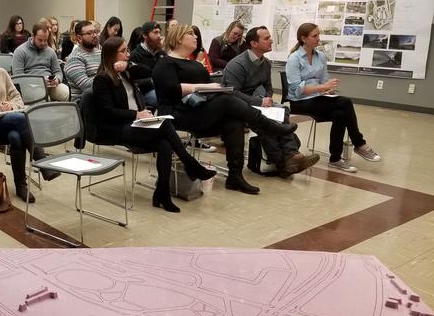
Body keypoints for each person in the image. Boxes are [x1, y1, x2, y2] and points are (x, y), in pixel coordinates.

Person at [152, 24, 297, 195]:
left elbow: (206, 90)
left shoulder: (196, 64)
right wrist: (202, 87)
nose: (196, 37)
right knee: (227, 100)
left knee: (233, 122)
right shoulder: (166, 63)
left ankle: (235, 176)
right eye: (190, 34)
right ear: (178, 38)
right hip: (177, 112)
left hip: (198, 110)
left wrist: (213, 89)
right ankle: (269, 125)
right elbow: (171, 89)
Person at [93, 37, 217, 213]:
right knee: (165, 125)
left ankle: (162, 193)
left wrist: (128, 66)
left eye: (127, 50)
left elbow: (148, 71)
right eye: (123, 51)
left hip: (137, 123)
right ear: (111, 54)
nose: (127, 54)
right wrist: (136, 114)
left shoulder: (126, 72)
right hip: (117, 128)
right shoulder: (102, 79)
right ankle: (190, 164)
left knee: (164, 144)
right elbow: (107, 113)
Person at [0, 36, 60, 202]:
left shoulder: (1, 73)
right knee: (20, 119)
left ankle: (21, 185)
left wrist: (8, 105)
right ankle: (42, 161)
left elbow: (17, 98)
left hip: (9, 119)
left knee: (16, 137)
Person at [224, 26, 320, 176]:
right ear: (254, 43)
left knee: (281, 112)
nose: (271, 41)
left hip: (260, 105)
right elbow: (232, 93)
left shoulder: (266, 63)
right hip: (240, 107)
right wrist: (259, 102)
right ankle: (285, 162)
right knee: (266, 124)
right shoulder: (236, 65)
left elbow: (268, 87)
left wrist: (267, 99)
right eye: (266, 38)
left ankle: (289, 157)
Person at [285, 23, 381, 172]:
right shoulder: (294, 59)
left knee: (340, 114)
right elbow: (296, 90)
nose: (318, 38)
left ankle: (335, 159)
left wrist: (328, 89)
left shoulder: (321, 56)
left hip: (318, 99)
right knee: (345, 102)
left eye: (318, 35)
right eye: (315, 36)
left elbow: (324, 81)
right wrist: (322, 88)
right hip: (300, 103)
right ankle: (359, 144)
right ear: (303, 39)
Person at [11, 21, 70, 101]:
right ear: (33, 36)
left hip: (50, 85)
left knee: (66, 92)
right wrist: (40, 82)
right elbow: (18, 76)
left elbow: (58, 71)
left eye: (45, 40)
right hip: (30, 85)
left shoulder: (50, 51)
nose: (43, 43)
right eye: (40, 40)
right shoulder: (20, 51)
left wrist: (57, 80)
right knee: (43, 96)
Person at [129, 21, 165, 107]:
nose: (159, 36)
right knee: (163, 99)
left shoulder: (161, 53)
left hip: (162, 88)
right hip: (144, 91)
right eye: (155, 32)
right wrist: (151, 81)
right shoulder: (135, 55)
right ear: (145, 35)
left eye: (159, 32)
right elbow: (132, 82)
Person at [63, 20, 101, 100]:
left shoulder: (100, 53)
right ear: (79, 38)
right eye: (89, 33)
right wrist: (108, 77)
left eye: (95, 32)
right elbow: (86, 86)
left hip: (102, 98)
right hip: (85, 104)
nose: (94, 35)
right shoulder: (74, 59)